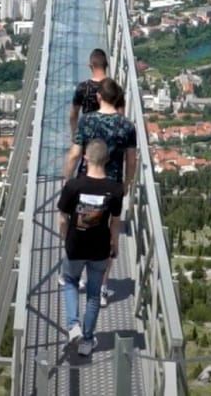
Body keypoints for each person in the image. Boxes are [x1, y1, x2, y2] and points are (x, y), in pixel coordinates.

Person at [63, 78, 136, 307]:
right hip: (113, 186)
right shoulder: (127, 126)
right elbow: (131, 160)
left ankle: (81, 275)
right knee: (108, 232)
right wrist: (127, 183)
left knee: (85, 226)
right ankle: (102, 285)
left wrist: (68, 181)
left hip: (87, 182)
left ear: (98, 97)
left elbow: (75, 154)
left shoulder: (87, 121)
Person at [58, 139, 124, 356]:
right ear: (106, 160)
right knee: (94, 295)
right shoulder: (115, 190)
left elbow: (63, 218)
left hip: (75, 246)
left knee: (70, 282)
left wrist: (65, 238)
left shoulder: (73, 186)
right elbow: (115, 221)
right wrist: (114, 244)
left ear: (85, 158)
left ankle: (73, 325)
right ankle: (87, 341)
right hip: (100, 249)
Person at [69, 49, 110, 144]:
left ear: (90, 66)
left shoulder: (83, 87)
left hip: (88, 140)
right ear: (106, 65)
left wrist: (74, 136)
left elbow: (73, 114)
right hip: (108, 141)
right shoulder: (115, 88)